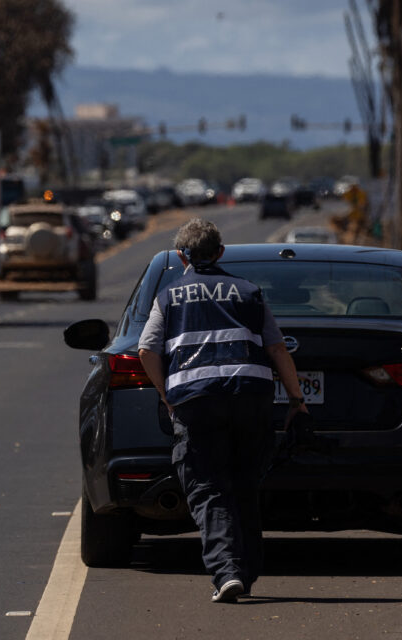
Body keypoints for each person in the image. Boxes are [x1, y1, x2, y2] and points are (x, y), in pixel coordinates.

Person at [138, 218, 308, 604]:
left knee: (209, 488)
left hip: (195, 401)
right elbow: (277, 349)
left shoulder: (169, 297)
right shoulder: (249, 292)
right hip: (251, 397)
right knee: (245, 484)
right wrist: (297, 401)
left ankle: (227, 572)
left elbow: (147, 350)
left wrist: (167, 394)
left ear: (182, 256)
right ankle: (244, 572)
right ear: (221, 253)